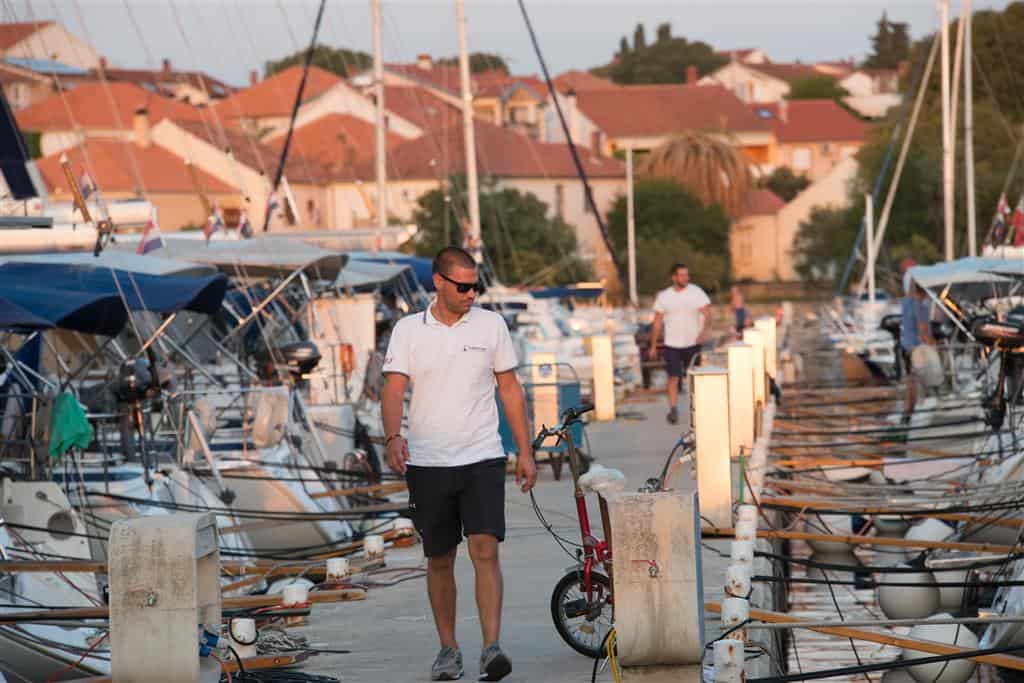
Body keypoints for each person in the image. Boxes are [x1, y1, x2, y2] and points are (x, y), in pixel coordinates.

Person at [381, 247, 535, 682]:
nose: (471, 293)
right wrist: (394, 437)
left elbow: (510, 390)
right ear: (439, 283)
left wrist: (524, 450)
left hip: (482, 456)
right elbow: (393, 391)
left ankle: (491, 647)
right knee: (440, 556)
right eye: (463, 286)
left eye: (475, 286)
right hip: (428, 462)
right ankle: (448, 649)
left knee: (485, 549)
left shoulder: (492, 325)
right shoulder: (409, 331)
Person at [648, 263, 712, 425]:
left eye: (687, 275)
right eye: (682, 275)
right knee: (673, 377)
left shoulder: (696, 292)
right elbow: (657, 323)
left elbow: (707, 313)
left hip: (693, 343)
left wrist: (704, 332)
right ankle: (673, 409)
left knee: (694, 378)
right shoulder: (664, 296)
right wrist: (653, 346)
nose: (686, 278)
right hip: (672, 344)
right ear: (674, 277)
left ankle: (698, 408)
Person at [900, 281, 934, 424]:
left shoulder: (906, 302)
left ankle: (907, 414)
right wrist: (934, 345)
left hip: (905, 346)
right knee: (915, 380)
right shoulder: (921, 307)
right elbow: (923, 331)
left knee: (910, 380)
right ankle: (910, 413)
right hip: (916, 349)